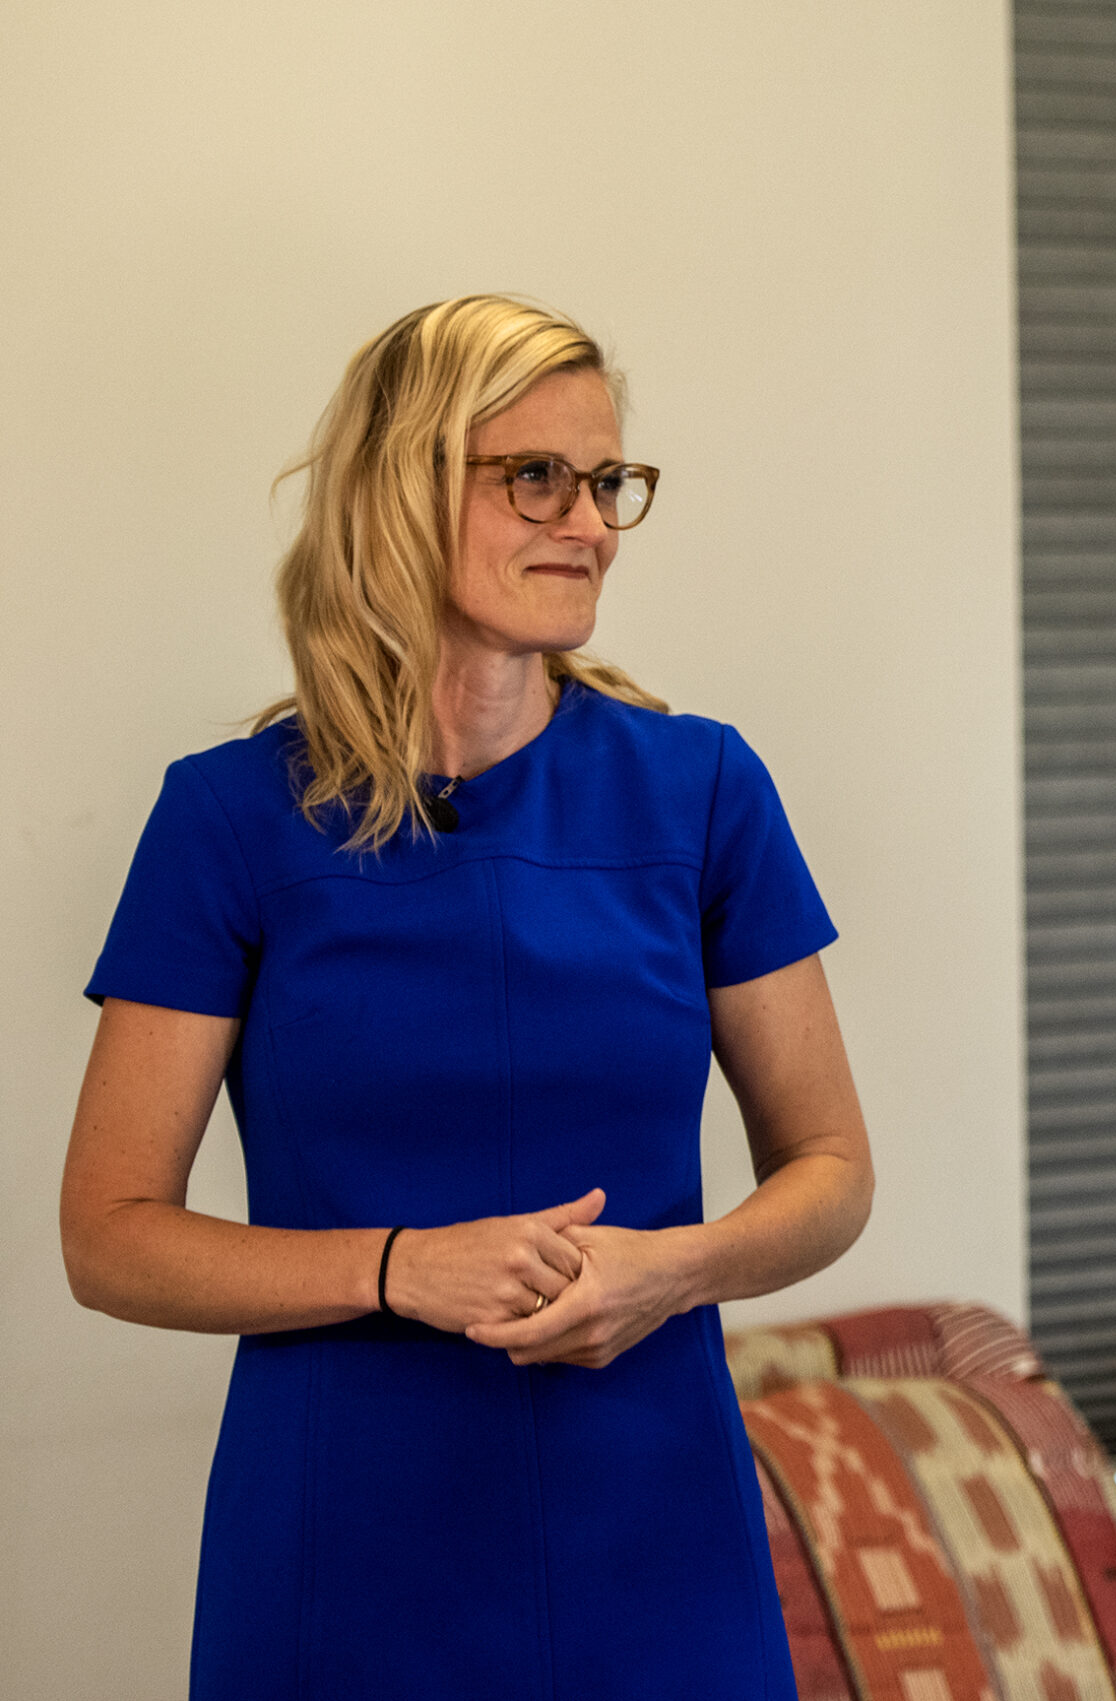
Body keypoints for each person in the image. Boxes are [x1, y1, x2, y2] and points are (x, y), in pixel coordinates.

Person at [59, 295, 874, 1697]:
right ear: (404, 487)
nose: (590, 519)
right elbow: (110, 1233)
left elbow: (833, 1168)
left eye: (608, 480)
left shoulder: (704, 790)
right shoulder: (230, 818)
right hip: (345, 1533)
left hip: (656, 1524)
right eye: (536, 476)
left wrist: (675, 1266)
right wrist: (396, 1265)